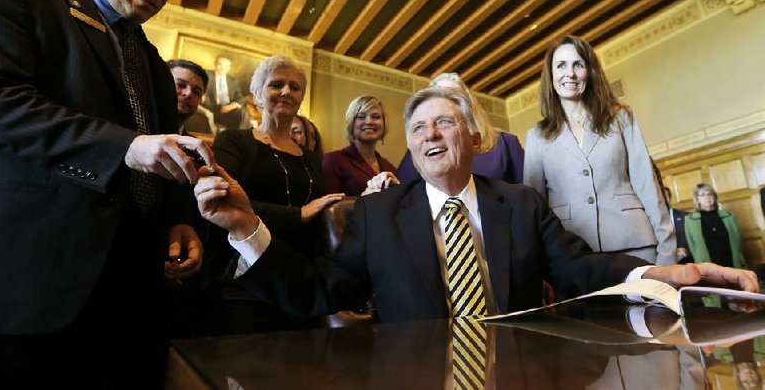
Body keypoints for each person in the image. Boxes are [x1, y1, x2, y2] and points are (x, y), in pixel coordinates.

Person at [193, 85, 758, 324]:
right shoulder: (376, 216)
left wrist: (668, 274)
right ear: (411, 146)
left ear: (472, 136)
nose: (430, 133)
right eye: (417, 127)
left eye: (443, 121)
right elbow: (315, 292)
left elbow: (580, 270)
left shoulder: (521, 203)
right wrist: (247, 229)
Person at [0, 0, 214, 387]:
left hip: (129, 298)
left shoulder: (157, 68)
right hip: (24, 285)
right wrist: (126, 147)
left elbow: (161, 154)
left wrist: (179, 218)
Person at [202, 55, 344, 334]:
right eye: (276, 84)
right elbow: (226, 202)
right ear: (256, 95)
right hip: (245, 281)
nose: (286, 92)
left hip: (301, 282)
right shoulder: (234, 141)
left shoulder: (312, 158)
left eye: (295, 87)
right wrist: (298, 215)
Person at [524, 35, 676, 266]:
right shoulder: (536, 136)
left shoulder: (621, 118)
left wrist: (668, 249)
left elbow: (646, 182)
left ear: (590, 71)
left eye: (578, 64)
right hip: (572, 255)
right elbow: (535, 208)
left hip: (636, 245)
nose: (570, 73)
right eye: (561, 65)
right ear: (551, 75)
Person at [393, 72, 524, 187]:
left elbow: (526, 197)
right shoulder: (422, 146)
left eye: (453, 96)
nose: (446, 102)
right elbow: (402, 190)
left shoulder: (506, 142)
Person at [323, 95, 398, 196]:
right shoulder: (333, 161)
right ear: (351, 123)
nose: (369, 122)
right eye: (361, 117)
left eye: (376, 117)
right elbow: (327, 207)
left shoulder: (391, 169)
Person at [685, 183, 746, 269]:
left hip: (731, 261)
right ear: (697, 199)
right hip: (706, 265)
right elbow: (692, 245)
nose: (707, 197)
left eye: (709, 194)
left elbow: (738, 240)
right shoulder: (690, 220)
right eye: (702, 195)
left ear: (714, 197)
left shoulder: (729, 216)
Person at [203, 55, 250, 131]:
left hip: (229, 111)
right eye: (220, 64)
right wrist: (219, 108)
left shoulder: (232, 80)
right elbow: (205, 95)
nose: (222, 68)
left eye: (226, 66)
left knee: (243, 113)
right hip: (213, 110)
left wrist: (232, 106)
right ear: (215, 64)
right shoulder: (207, 75)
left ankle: (240, 137)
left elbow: (240, 98)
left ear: (229, 68)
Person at [168, 58, 211, 134]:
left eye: (196, 92)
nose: (188, 94)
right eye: (180, 85)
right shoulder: (139, 137)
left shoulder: (195, 145)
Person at [663, 186, 691, 263]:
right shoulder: (650, 220)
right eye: (661, 197)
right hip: (665, 264)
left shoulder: (686, 217)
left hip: (687, 261)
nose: (663, 200)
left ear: (670, 198)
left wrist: (686, 250)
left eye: (665, 196)